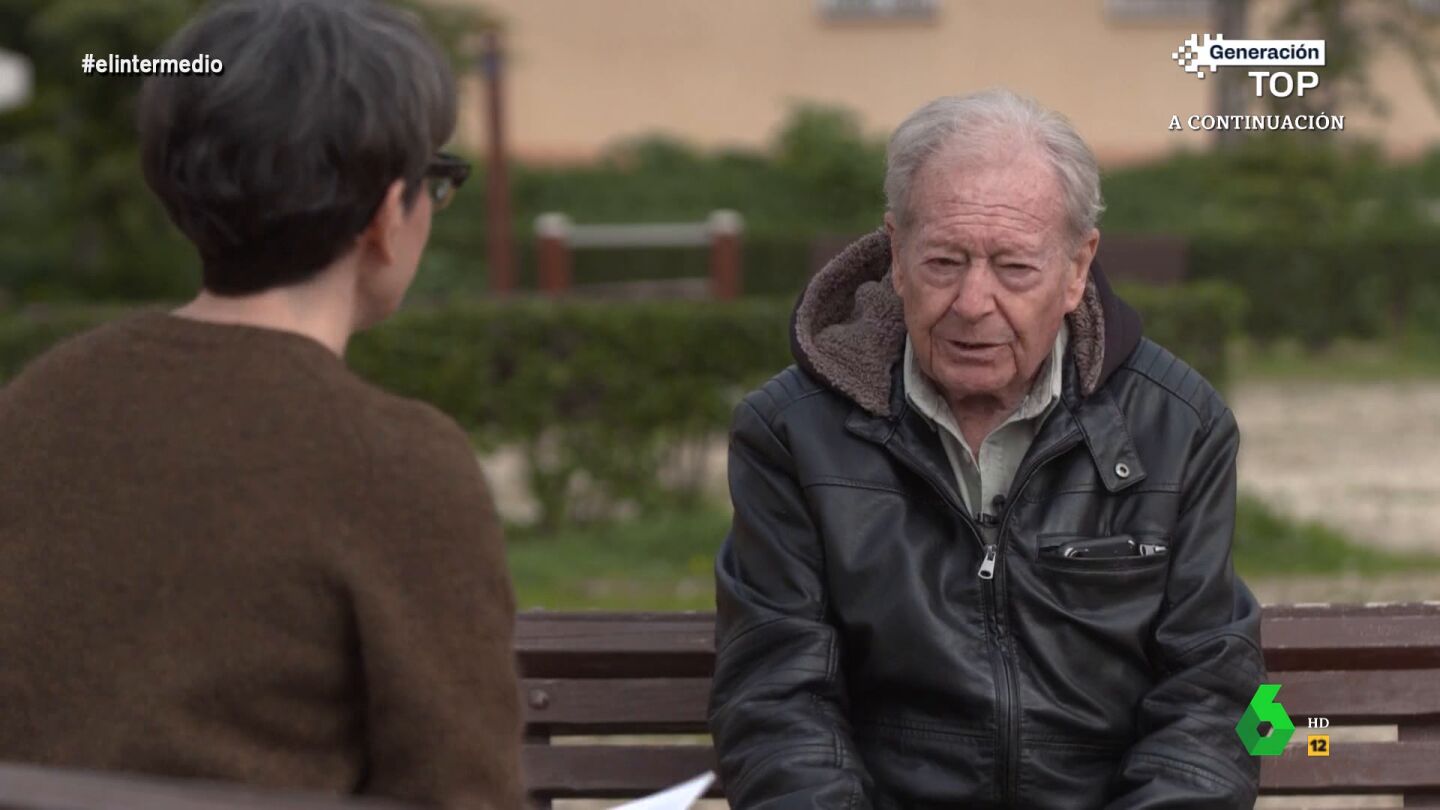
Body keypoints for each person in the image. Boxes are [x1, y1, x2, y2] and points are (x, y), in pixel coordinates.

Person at [0, 1, 522, 807]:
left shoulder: (33, 407)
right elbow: (462, 790)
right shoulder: (397, 461)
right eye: (436, 181)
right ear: (387, 216)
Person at [709, 89, 1265, 809]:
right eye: (944, 262)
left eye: (1014, 268)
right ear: (896, 256)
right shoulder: (791, 433)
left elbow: (1215, 697)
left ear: (1077, 268)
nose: (973, 303)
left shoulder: (1180, 426)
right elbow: (776, 701)